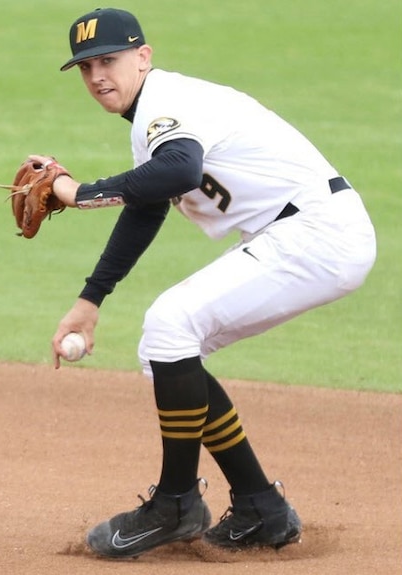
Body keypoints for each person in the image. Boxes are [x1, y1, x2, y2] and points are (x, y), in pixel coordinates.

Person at [36, 7, 377, 558]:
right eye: (85, 66)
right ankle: (260, 506)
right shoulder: (155, 116)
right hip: (304, 233)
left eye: (110, 60)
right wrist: (90, 299)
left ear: (143, 58)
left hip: (317, 232)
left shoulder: (168, 104)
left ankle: (174, 503)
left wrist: (79, 192)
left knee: (173, 322)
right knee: (167, 348)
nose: (97, 75)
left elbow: (178, 174)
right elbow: (148, 205)